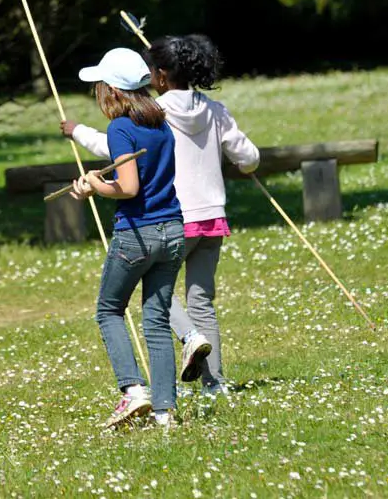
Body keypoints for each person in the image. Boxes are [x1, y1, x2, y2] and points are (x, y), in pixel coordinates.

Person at [64, 34, 259, 396]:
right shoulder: (212, 110)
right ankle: (214, 383)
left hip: (171, 214)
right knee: (201, 301)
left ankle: (189, 336)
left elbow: (117, 150)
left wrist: (77, 132)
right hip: (212, 217)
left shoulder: (155, 113)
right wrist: (246, 167)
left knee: (157, 294)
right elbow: (248, 158)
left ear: (161, 75)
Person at [65, 48, 185, 428]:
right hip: (173, 230)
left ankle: (134, 391)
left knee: (109, 310)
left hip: (138, 233)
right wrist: (100, 183)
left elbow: (129, 187)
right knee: (156, 320)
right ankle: (165, 413)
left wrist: (95, 186)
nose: (98, 92)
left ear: (114, 90)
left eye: (100, 86)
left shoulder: (120, 128)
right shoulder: (160, 123)